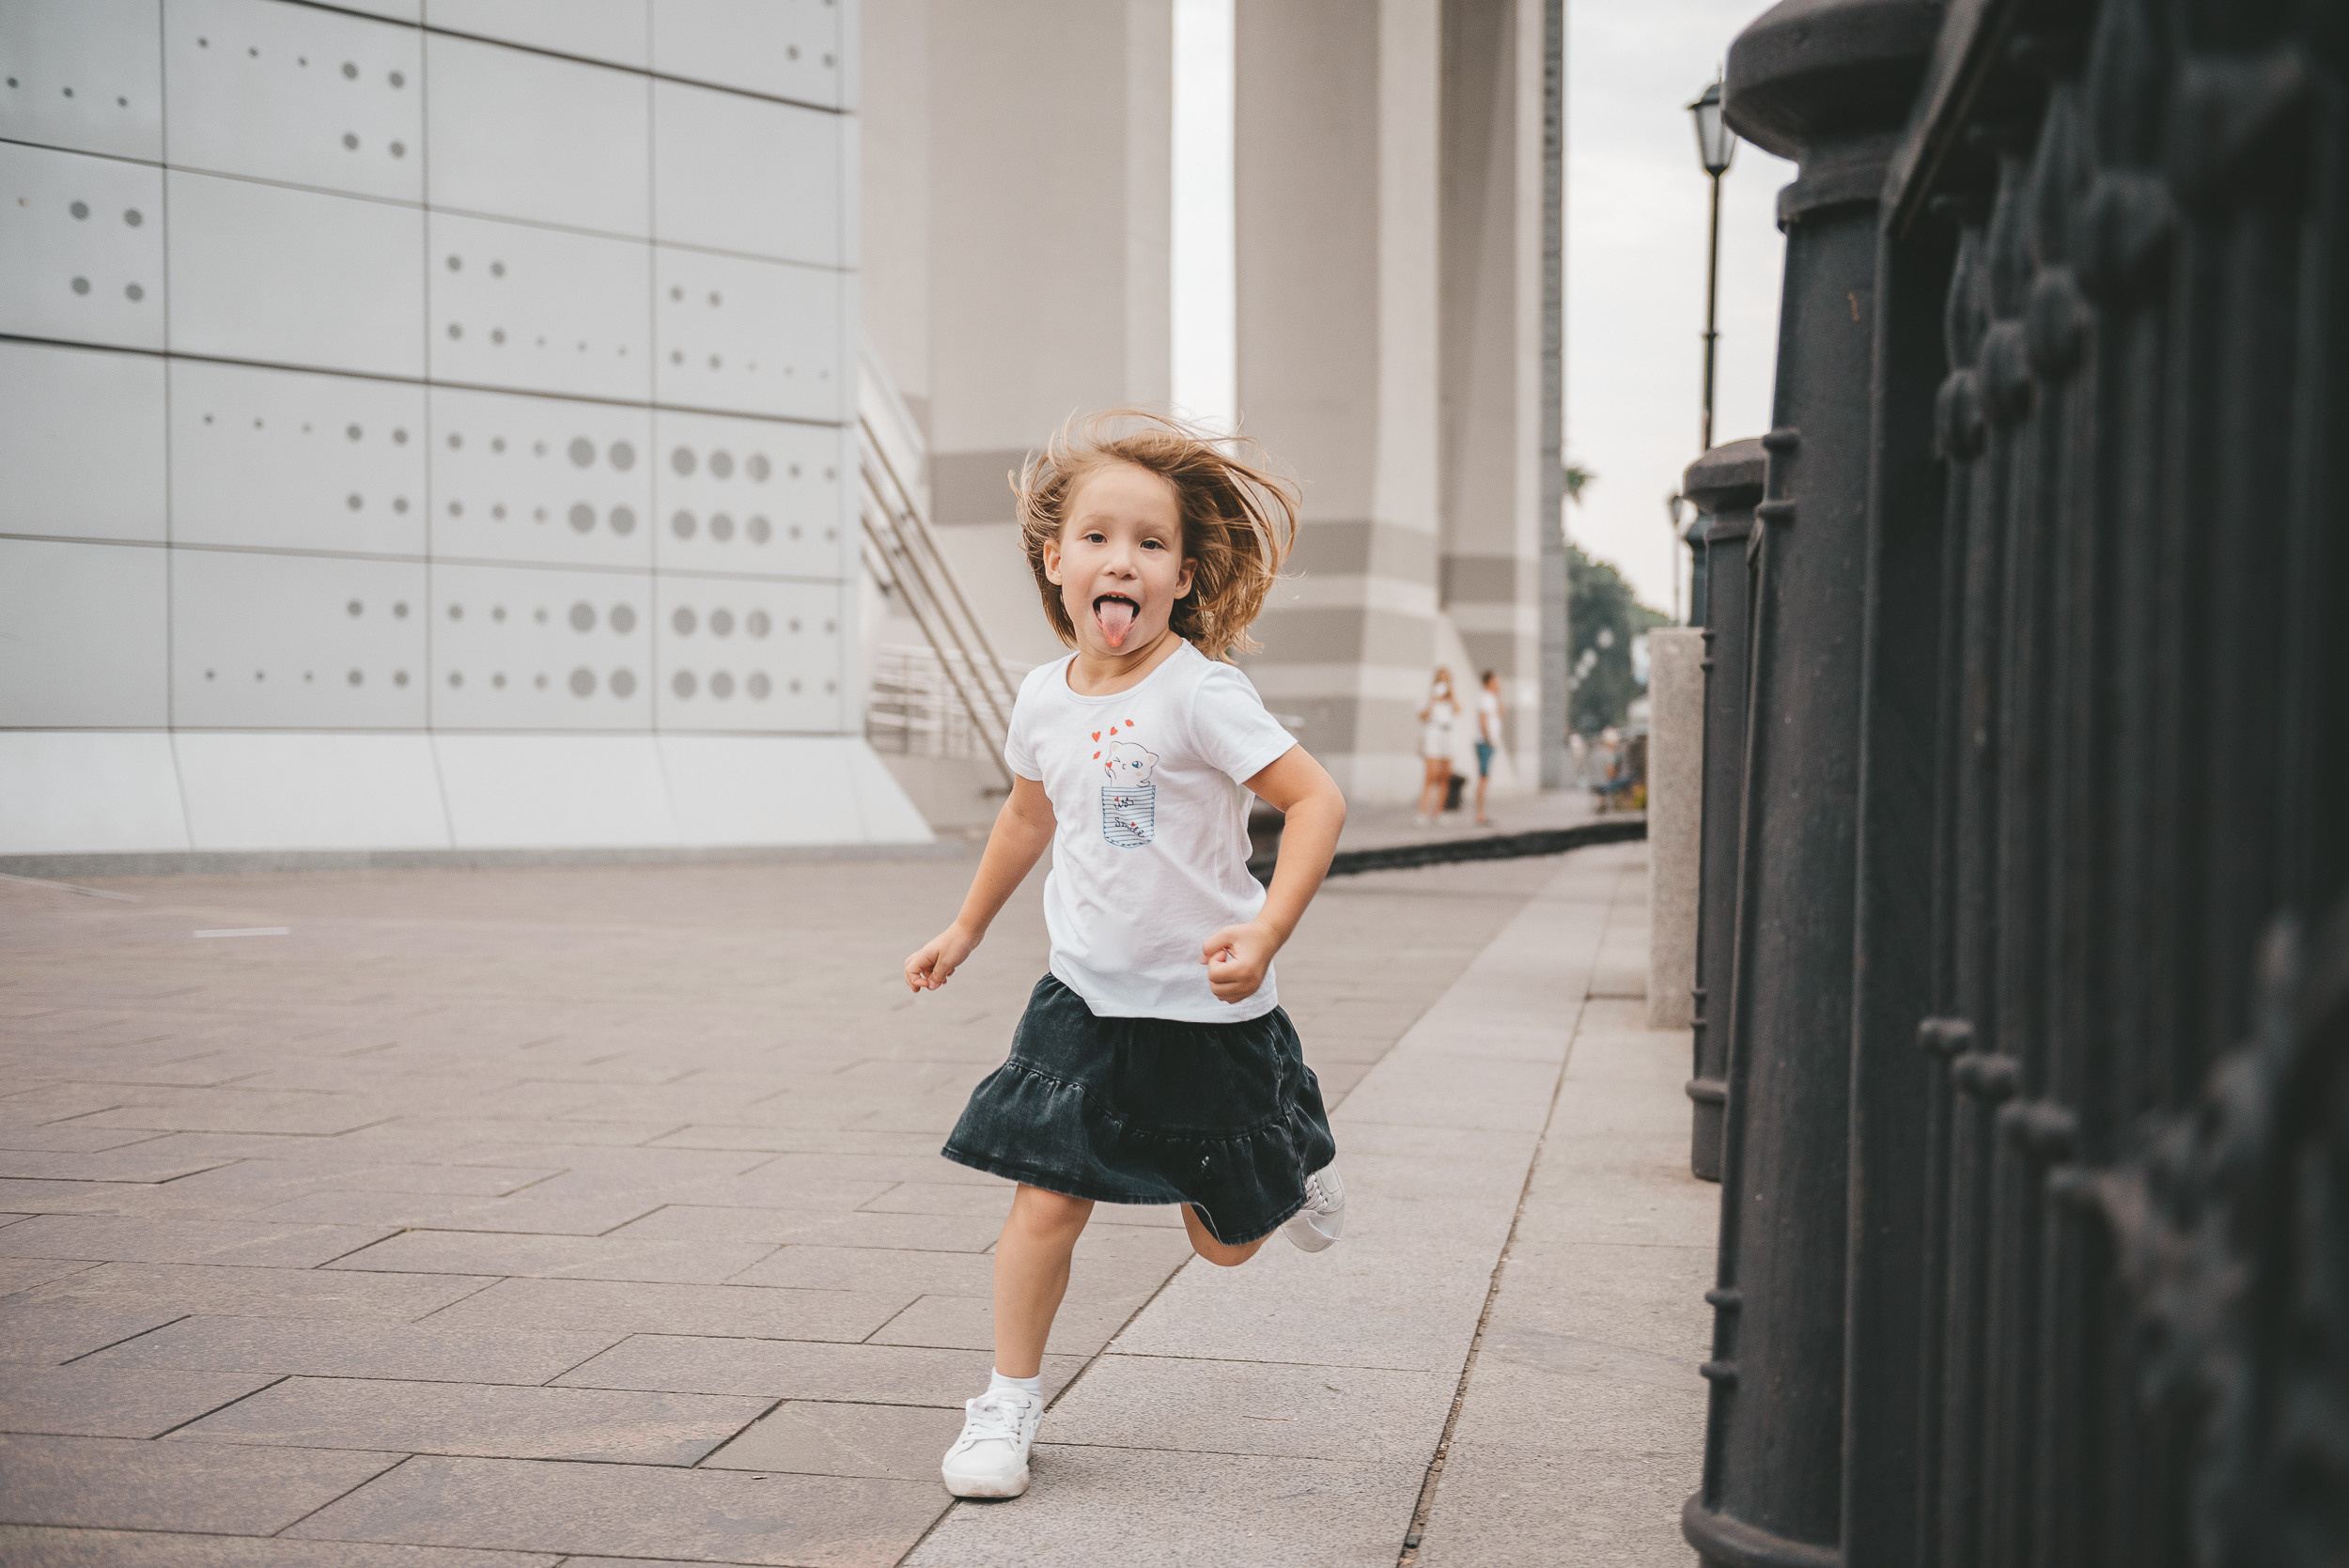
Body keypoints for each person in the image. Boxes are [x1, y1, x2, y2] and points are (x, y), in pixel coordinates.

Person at [903, 410, 1349, 1502]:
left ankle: (1294, 1146)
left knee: (1225, 1246)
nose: (1123, 560)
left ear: (1183, 576)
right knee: (1044, 1199)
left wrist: (1268, 925)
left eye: (1150, 544)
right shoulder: (1040, 696)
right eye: (1098, 538)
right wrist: (965, 928)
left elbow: (1313, 798)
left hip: (1209, 1006)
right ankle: (1006, 1404)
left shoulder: (1200, 692)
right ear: (1055, 562)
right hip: (1084, 998)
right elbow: (1023, 818)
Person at [1415, 666, 1458, 825]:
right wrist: (1432, 700)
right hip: (1433, 732)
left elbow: (1457, 709)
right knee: (1431, 775)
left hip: (1448, 734)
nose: (1444, 680)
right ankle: (1423, 812)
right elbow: (1423, 716)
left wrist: (1451, 692)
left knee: (1445, 776)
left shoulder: (1450, 696)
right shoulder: (1428, 695)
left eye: (1447, 677)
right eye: (1442, 677)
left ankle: (1438, 812)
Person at [1472, 670, 1502, 827]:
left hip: (1490, 742)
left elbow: (1501, 714)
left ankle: (1481, 814)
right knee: (1483, 778)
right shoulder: (1484, 697)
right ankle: (1479, 815)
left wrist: (1499, 696)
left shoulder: (1492, 698)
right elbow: (1482, 720)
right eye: (1496, 680)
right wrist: (1489, 739)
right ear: (1489, 681)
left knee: (1486, 778)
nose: (1499, 683)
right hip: (1485, 742)